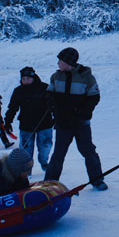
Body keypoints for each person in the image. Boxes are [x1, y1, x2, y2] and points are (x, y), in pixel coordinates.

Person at [43, 47, 107, 190]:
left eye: (60, 60)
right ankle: (49, 183)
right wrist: (53, 106)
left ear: (68, 62)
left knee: (88, 151)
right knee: (58, 154)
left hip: (81, 124)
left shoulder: (86, 77)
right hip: (62, 123)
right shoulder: (55, 76)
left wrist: (81, 113)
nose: (58, 63)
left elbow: (94, 98)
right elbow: (49, 94)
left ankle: (97, 180)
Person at [4, 66, 54, 172]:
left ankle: (44, 162)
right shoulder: (18, 91)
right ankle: (27, 169)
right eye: (23, 79)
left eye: (28, 78)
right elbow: (12, 108)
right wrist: (8, 122)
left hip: (45, 124)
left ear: (33, 77)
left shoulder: (45, 88)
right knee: (26, 150)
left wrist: (56, 117)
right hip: (26, 125)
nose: (26, 81)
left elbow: (54, 105)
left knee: (46, 146)